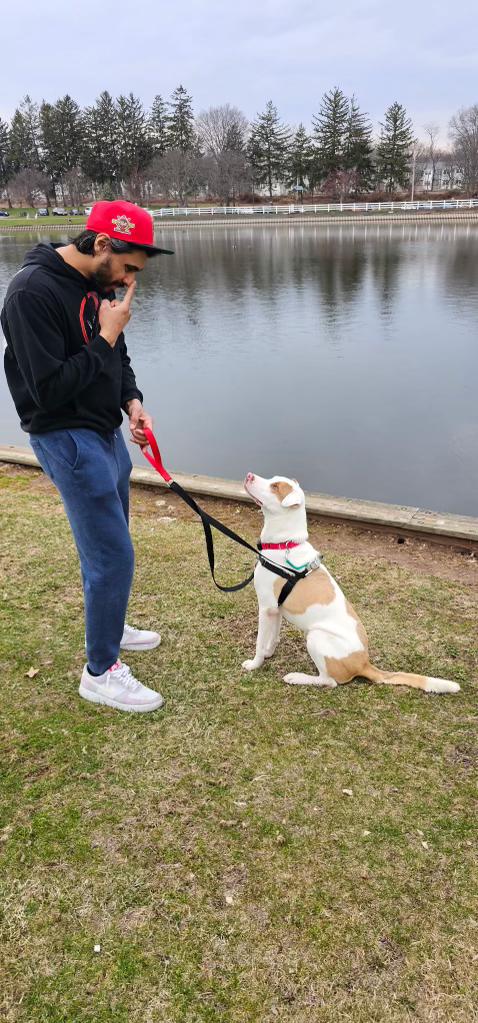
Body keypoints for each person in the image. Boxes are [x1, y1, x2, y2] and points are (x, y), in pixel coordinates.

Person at [1, 199, 174, 713]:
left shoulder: (94, 286)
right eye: (126, 267)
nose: (126, 281)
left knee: (110, 539)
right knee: (112, 555)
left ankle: (112, 627)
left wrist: (132, 401)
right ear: (101, 243)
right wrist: (107, 332)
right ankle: (100, 671)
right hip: (65, 437)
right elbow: (49, 389)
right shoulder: (30, 294)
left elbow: (115, 357)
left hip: (104, 433)